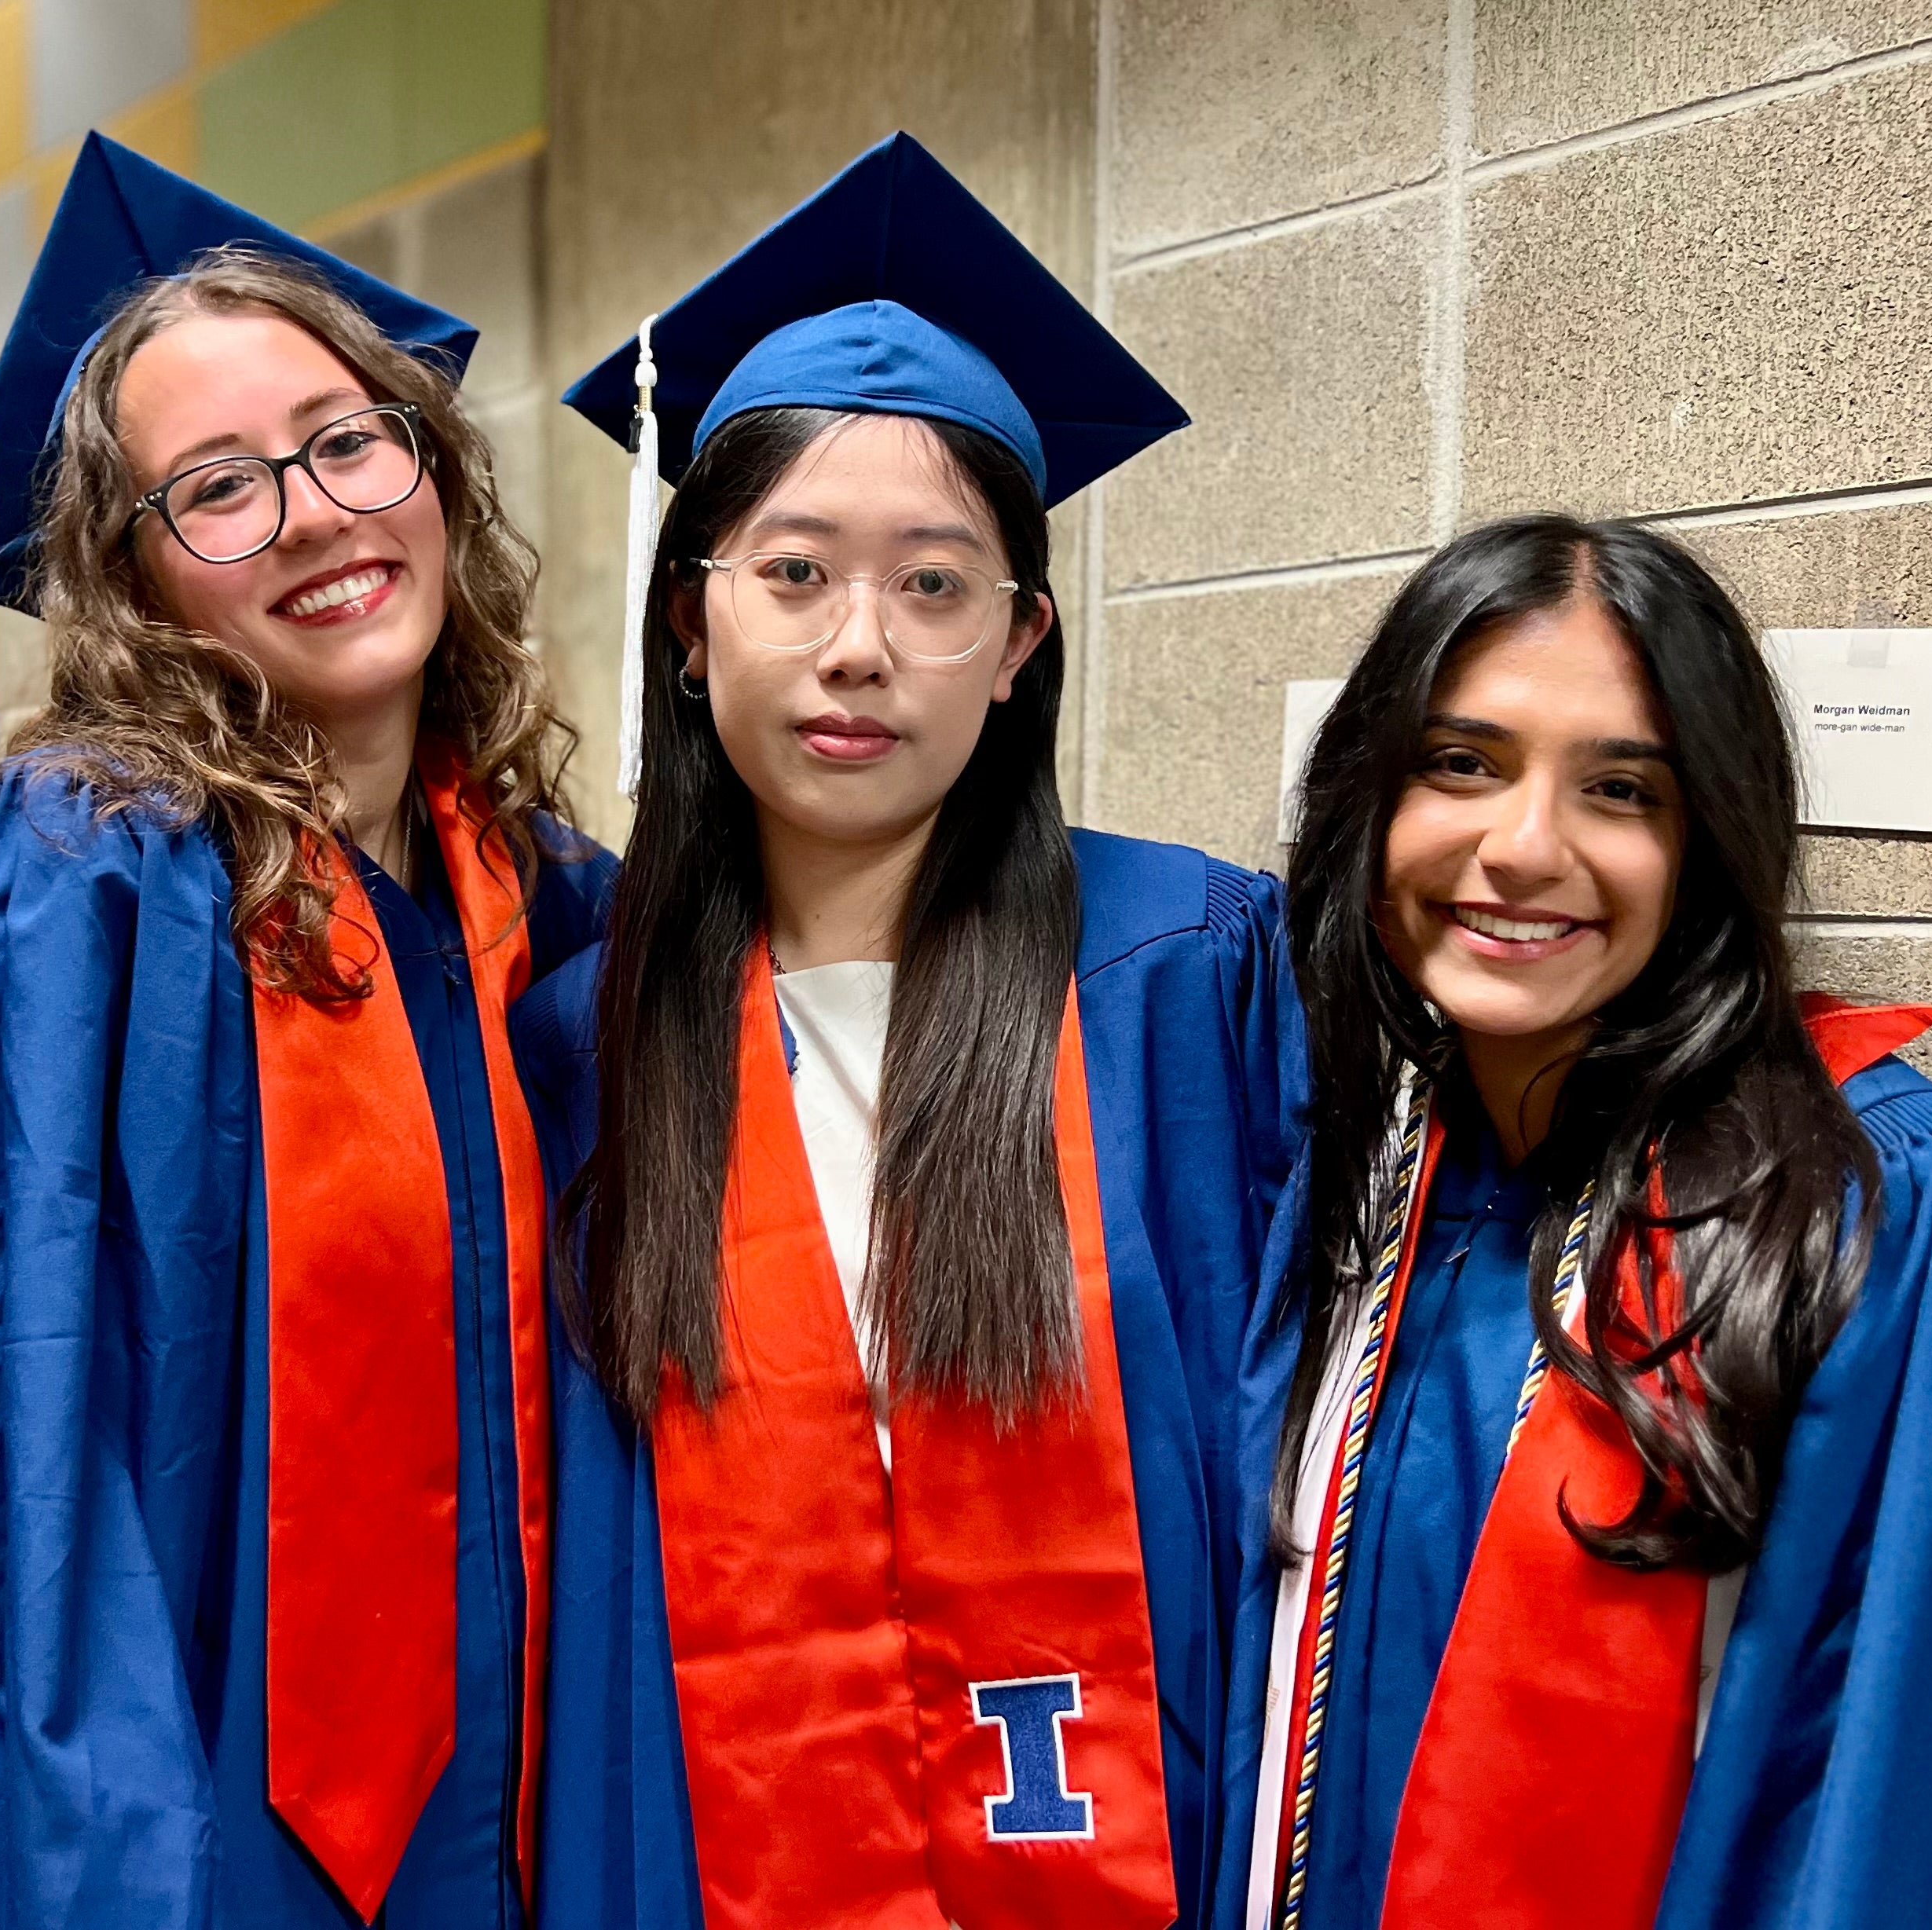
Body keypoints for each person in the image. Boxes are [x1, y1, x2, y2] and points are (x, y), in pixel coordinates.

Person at [0, 135, 610, 1929]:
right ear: (131, 577)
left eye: (345, 436)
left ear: (434, 466)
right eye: (214, 487)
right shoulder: (71, 890)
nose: (311, 511)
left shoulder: (546, 904)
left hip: (525, 1798)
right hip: (195, 1815)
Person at [513, 133, 1306, 1930]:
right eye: (793, 572)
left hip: (1132, 1831)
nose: (859, 645)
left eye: (935, 585)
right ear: (690, 622)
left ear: (1021, 641)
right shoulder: (588, 1042)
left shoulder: (1190, 973)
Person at [1226, 514, 1932, 1930]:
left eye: (1621, 789)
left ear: (1707, 842)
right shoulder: (1363, 1175)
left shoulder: (1917, 1221)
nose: (1524, 846)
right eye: (1460, 763)